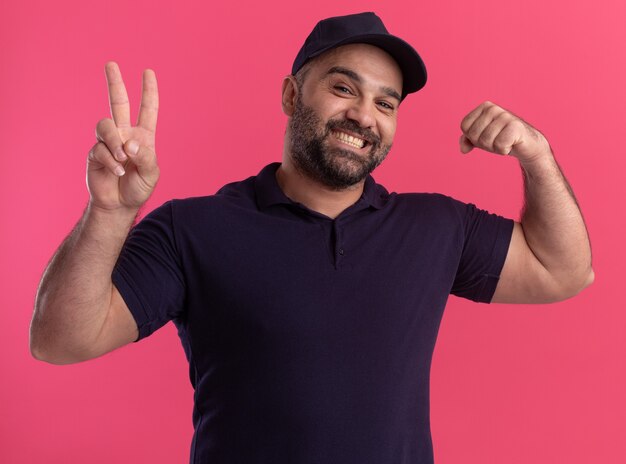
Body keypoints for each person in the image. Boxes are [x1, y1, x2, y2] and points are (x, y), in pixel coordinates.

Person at [30, 12, 593, 464]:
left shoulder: (436, 227)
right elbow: (60, 340)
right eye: (343, 87)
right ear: (291, 96)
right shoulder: (192, 229)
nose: (363, 115)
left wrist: (536, 154)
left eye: (385, 103)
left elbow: (563, 270)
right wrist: (110, 211)